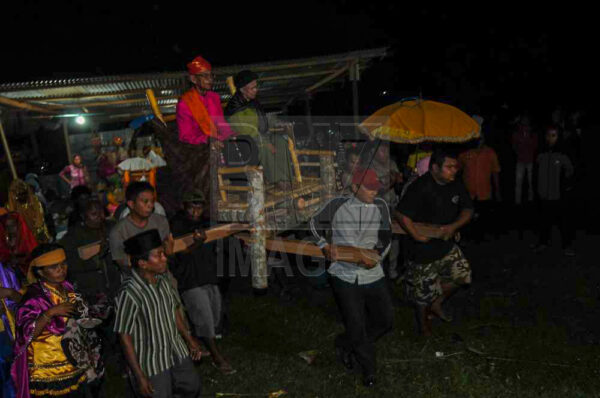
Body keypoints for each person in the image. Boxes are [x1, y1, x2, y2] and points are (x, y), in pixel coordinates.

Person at [309, 168, 393, 387]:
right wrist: (325, 246)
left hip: (372, 273)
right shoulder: (337, 205)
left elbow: (387, 236)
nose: (375, 192)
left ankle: (345, 343)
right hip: (343, 274)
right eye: (369, 188)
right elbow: (312, 224)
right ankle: (368, 370)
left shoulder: (381, 206)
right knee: (356, 324)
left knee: (385, 320)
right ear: (355, 188)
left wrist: (376, 256)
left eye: (377, 188)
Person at [114, 230, 202, 398]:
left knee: (192, 386)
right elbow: (124, 336)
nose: (165, 258)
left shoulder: (163, 280)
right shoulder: (130, 293)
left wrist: (189, 340)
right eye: (159, 255)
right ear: (143, 263)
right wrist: (139, 376)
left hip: (175, 349)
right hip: (152, 361)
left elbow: (174, 309)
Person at [396, 149, 474, 336]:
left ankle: (437, 303)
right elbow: (400, 214)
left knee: (463, 276)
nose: (454, 170)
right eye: (449, 167)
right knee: (422, 295)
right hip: (422, 250)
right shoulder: (420, 187)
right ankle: (423, 327)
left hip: (446, 243)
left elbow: (468, 210)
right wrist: (416, 236)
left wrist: (453, 227)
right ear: (434, 168)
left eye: (455, 166)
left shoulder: (455, 184)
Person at [11, 244, 104, 398]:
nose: (62, 269)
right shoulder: (34, 298)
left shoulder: (66, 286)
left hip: (73, 360)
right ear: (40, 271)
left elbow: (79, 314)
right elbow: (27, 335)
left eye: (63, 264)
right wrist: (50, 312)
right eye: (54, 267)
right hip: (48, 370)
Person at [169, 190, 235, 375]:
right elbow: (179, 255)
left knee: (213, 317)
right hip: (190, 280)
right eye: (192, 207)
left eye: (199, 207)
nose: (196, 211)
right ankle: (217, 358)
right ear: (185, 207)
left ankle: (197, 344)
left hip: (208, 277)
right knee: (205, 319)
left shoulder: (207, 223)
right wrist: (197, 243)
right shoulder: (177, 225)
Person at [225, 70, 294, 189]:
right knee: (264, 147)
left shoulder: (252, 102)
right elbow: (248, 130)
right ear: (242, 89)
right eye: (252, 88)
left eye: (256, 87)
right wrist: (267, 143)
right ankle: (277, 180)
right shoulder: (234, 107)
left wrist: (279, 123)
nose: (256, 90)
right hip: (244, 143)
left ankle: (286, 178)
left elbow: (264, 119)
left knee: (281, 142)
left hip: (259, 137)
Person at [59, 199, 120, 303]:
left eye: (101, 212)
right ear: (83, 216)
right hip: (89, 287)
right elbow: (68, 262)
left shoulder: (111, 227)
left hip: (114, 284)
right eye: (94, 214)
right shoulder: (74, 235)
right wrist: (96, 257)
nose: (99, 217)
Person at [109, 182, 173, 273]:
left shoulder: (161, 221)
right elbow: (123, 265)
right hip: (137, 281)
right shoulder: (118, 232)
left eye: (152, 201)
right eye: (145, 201)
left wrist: (169, 253)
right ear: (131, 204)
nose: (150, 205)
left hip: (163, 278)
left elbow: (166, 254)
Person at [532, 127, 575, 256]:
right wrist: (538, 190)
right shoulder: (540, 153)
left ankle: (566, 245)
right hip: (544, 195)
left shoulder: (563, 154)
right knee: (544, 221)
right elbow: (536, 172)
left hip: (558, 195)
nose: (550, 138)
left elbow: (570, 170)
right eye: (549, 135)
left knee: (563, 222)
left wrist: (565, 186)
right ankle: (543, 243)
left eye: (554, 135)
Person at [458, 136, 501, 241]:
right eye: (477, 138)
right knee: (468, 216)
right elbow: (458, 169)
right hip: (469, 192)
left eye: (481, 138)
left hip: (484, 191)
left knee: (483, 215)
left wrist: (497, 190)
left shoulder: (490, 153)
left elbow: (495, 171)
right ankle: (468, 237)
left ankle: (482, 237)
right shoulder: (465, 153)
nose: (479, 140)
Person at [7, 179, 51, 243]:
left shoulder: (33, 200)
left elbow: (39, 219)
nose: (22, 196)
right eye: (19, 195)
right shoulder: (10, 207)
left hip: (38, 235)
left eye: (23, 193)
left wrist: (38, 232)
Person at [0, 212, 38, 280]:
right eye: (7, 227)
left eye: (13, 225)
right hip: (13, 274)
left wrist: (18, 261)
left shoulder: (26, 239)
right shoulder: (5, 240)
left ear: (18, 225)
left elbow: (33, 256)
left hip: (28, 271)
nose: (10, 229)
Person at [512, 115, 538, 204]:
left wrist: (528, 143)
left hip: (530, 160)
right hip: (520, 160)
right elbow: (514, 145)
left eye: (527, 119)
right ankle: (517, 201)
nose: (525, 121)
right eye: (523, 119)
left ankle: (531, 200)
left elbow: (535, 146)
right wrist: (518, 152)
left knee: (531, 182)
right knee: (518, 182)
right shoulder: (517, 132)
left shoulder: (533, 132)